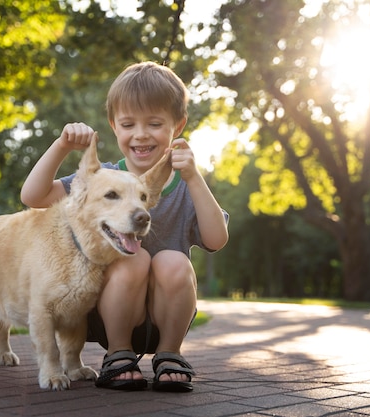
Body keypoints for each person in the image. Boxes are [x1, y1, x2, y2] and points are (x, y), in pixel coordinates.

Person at [20, 61, 228, 392]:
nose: (141, 134)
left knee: (172, 260)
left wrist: (194, 176)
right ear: (113, 126)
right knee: (135, 258)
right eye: (128, 123)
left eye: (155, 123)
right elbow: (34, 196)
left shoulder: (188, 183)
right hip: (108, 317)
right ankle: (118, 354)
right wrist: (62, 145)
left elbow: (216, 240)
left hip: (165, 318)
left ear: (179, 125)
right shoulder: (101, 178)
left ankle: (170, 354)